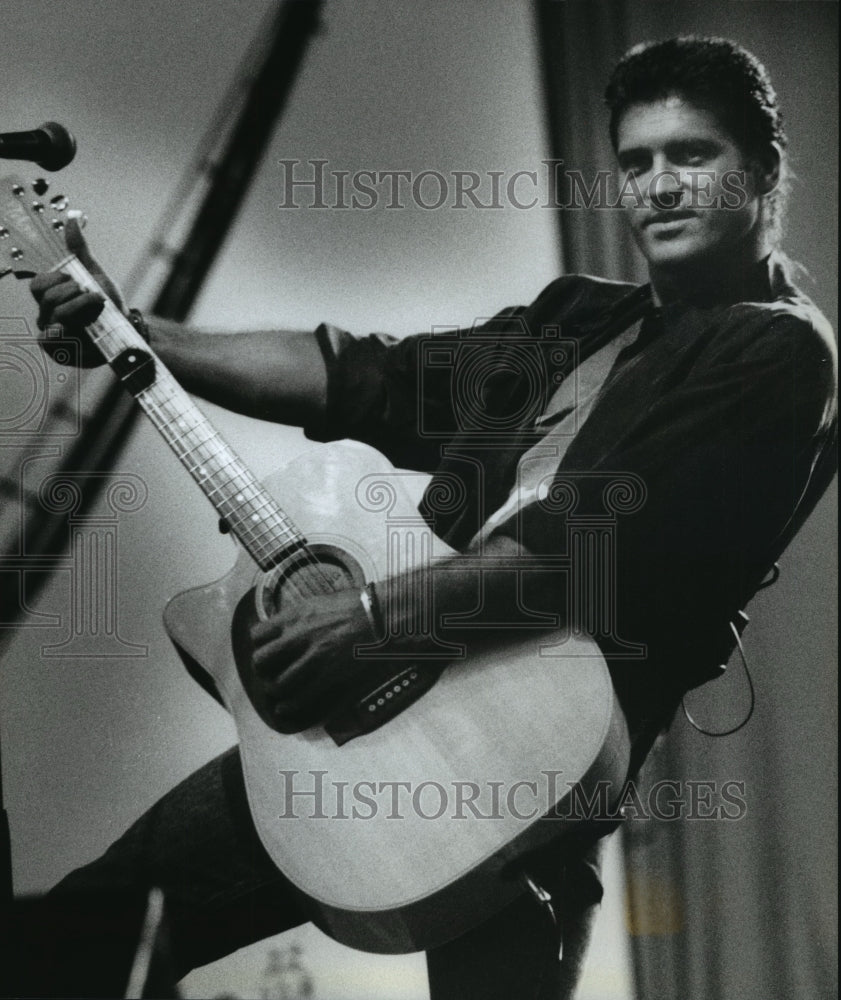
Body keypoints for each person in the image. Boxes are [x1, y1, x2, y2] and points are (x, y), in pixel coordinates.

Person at [26, 35, 838, 1000]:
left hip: (531, 784)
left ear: (763, 172)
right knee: (90, 928)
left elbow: (585, 551)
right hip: (389, 722)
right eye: (635, 162)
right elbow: (368, 376)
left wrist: (369, 621)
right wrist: (138, 334)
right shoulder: (578, 318)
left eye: (691, 156)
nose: (658, 186)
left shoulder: (778, 353)